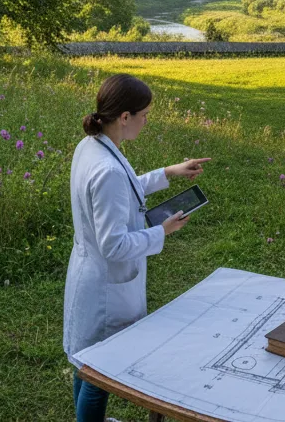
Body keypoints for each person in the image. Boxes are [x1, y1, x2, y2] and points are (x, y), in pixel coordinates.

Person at [64, 74, 209, 422]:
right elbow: (113, 245)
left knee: (86, 361)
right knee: (101, 370)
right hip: (106, 287)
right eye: (144, 114)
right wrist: (161, 232)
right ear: (125, 117)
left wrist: (168, 172)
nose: (146, 121)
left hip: (90, 272)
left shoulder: (93, 146)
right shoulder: (106, 168)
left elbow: (125, 188)